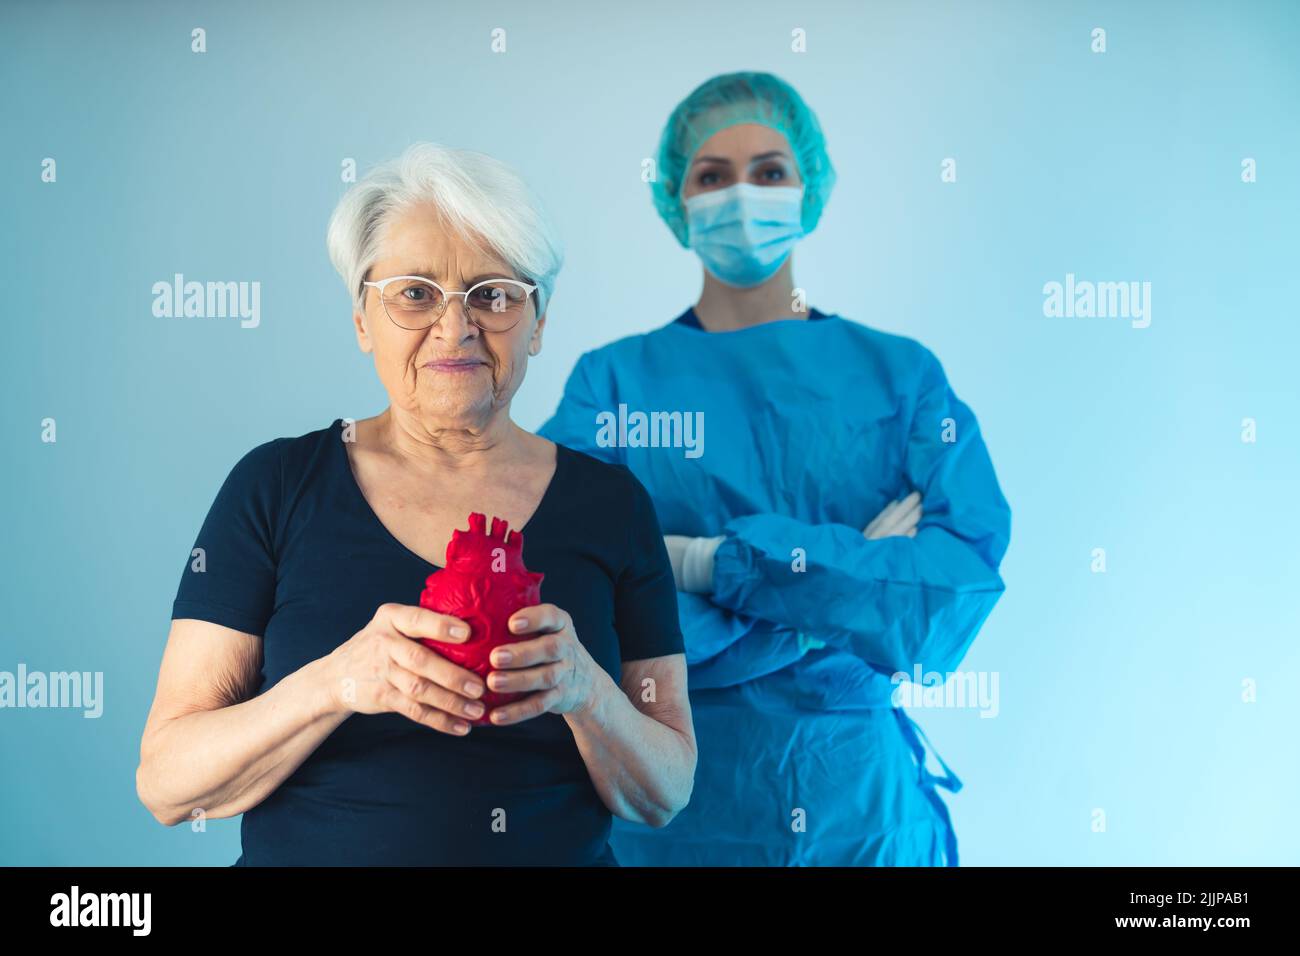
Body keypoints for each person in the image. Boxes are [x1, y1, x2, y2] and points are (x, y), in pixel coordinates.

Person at [136, 143, 697, 865]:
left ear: (539, 322)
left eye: (493, 294)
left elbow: (665, 790)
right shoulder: (275, 486)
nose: (455, 326)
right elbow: (168, 785)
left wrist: (586, 690)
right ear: (363, 320)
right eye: (414, 292)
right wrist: (335, 682)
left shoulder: (612, 505)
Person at [539, 72, 1011, 865]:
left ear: (809, 188)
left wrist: (694, 563)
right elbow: (573, 596)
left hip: (858, 813)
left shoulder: (899, 378)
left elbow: (951, 589)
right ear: (675, 199)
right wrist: (828, 597)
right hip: (671, 805)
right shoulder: (614, 386)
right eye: (712, 176)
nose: (742, 195)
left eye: (769, 172)